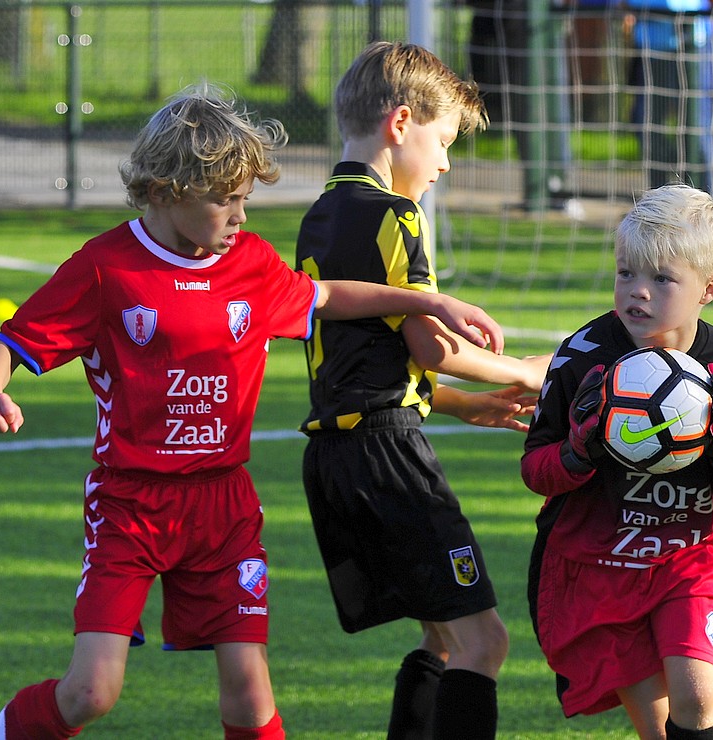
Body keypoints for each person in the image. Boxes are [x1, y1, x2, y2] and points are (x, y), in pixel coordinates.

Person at [0, 85, 506, 740]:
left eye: (245, 197)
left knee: (250, 699)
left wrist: (427, 303)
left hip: (224, 507)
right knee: (91, 692)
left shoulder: (247, 264)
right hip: (130, 507)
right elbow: (11, 343)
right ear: (165, 191)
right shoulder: (106, 269)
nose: (241, 216)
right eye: (225, 199)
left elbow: (326, 295)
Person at [295, 41, 550, 740]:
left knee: (444, 642)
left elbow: (364, 358)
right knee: (484, 644)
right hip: (387, 457)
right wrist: (530, 371)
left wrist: (466, 405)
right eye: (442, 142)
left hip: (338, 461)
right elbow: (431, 344)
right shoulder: (396, 216)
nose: (443, 164)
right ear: (400, 124)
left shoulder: (320, 212)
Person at [521, 183, 713, 740]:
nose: (638, 293)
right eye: (626, 274)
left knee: (701, 697)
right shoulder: (582, 357)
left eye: (662, 279)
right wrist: (577, 451)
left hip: (688, 562)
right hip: (597, 567)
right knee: (659, 728)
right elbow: (534, 469)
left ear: (708, 288)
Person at [467, 0, 584, 218]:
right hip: (503, 37)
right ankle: (542, 189)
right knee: (521, 112)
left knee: (550, 108)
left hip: (535, 35)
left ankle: (557, 186)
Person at [623, 0, 713, 198]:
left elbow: (672, 5)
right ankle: (662, 200)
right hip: (651, 45)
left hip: (693, 41)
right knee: (644, 124)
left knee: (697, 131)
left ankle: (705, 203)